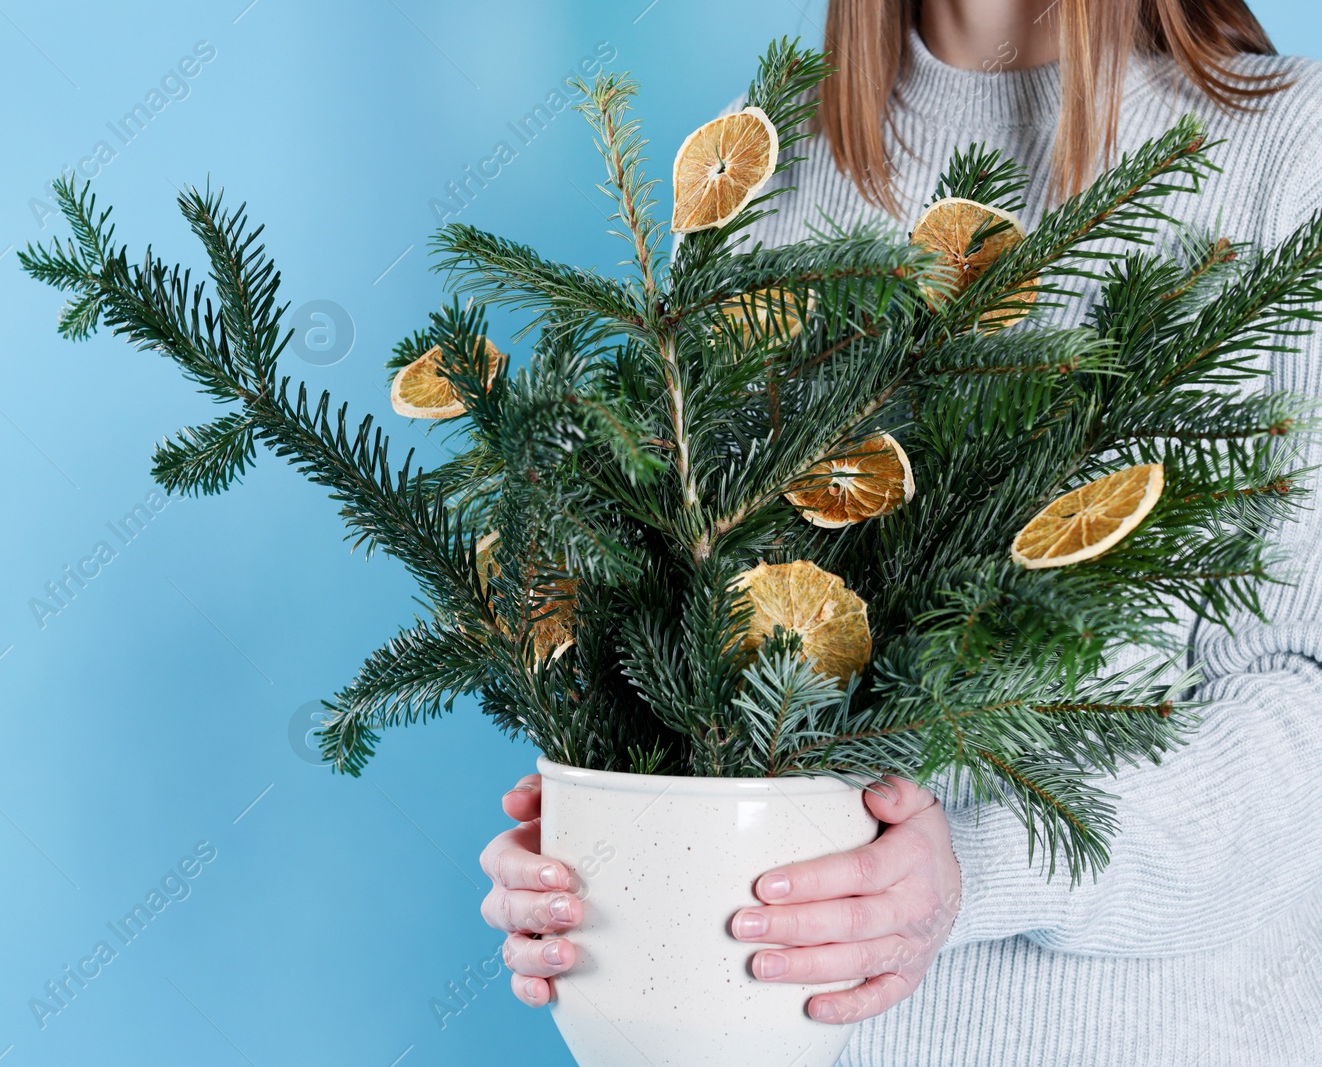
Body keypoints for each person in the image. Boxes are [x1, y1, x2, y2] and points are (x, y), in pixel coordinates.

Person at [478, 1, 1322, 1063]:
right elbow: (703, 666)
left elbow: (1307, 706)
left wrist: (976, 867)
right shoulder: (763, 161)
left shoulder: (1289, 154)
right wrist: (606, 851)